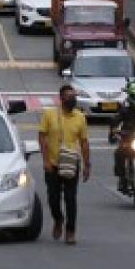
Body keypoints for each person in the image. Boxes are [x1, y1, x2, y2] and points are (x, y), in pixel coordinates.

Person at [38, 85, 90, 245]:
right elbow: (42, 137)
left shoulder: (80, 117)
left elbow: (84, 142)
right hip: (52, 164)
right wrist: (45, 160)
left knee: (70, 198)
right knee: (53, 198)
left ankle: (70, 230)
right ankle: (58, 219)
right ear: (61, 98)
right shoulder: (49, 114)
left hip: (71, 163)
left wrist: (87, 165)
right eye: (68, 96)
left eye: (73, 96)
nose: (72, 99)